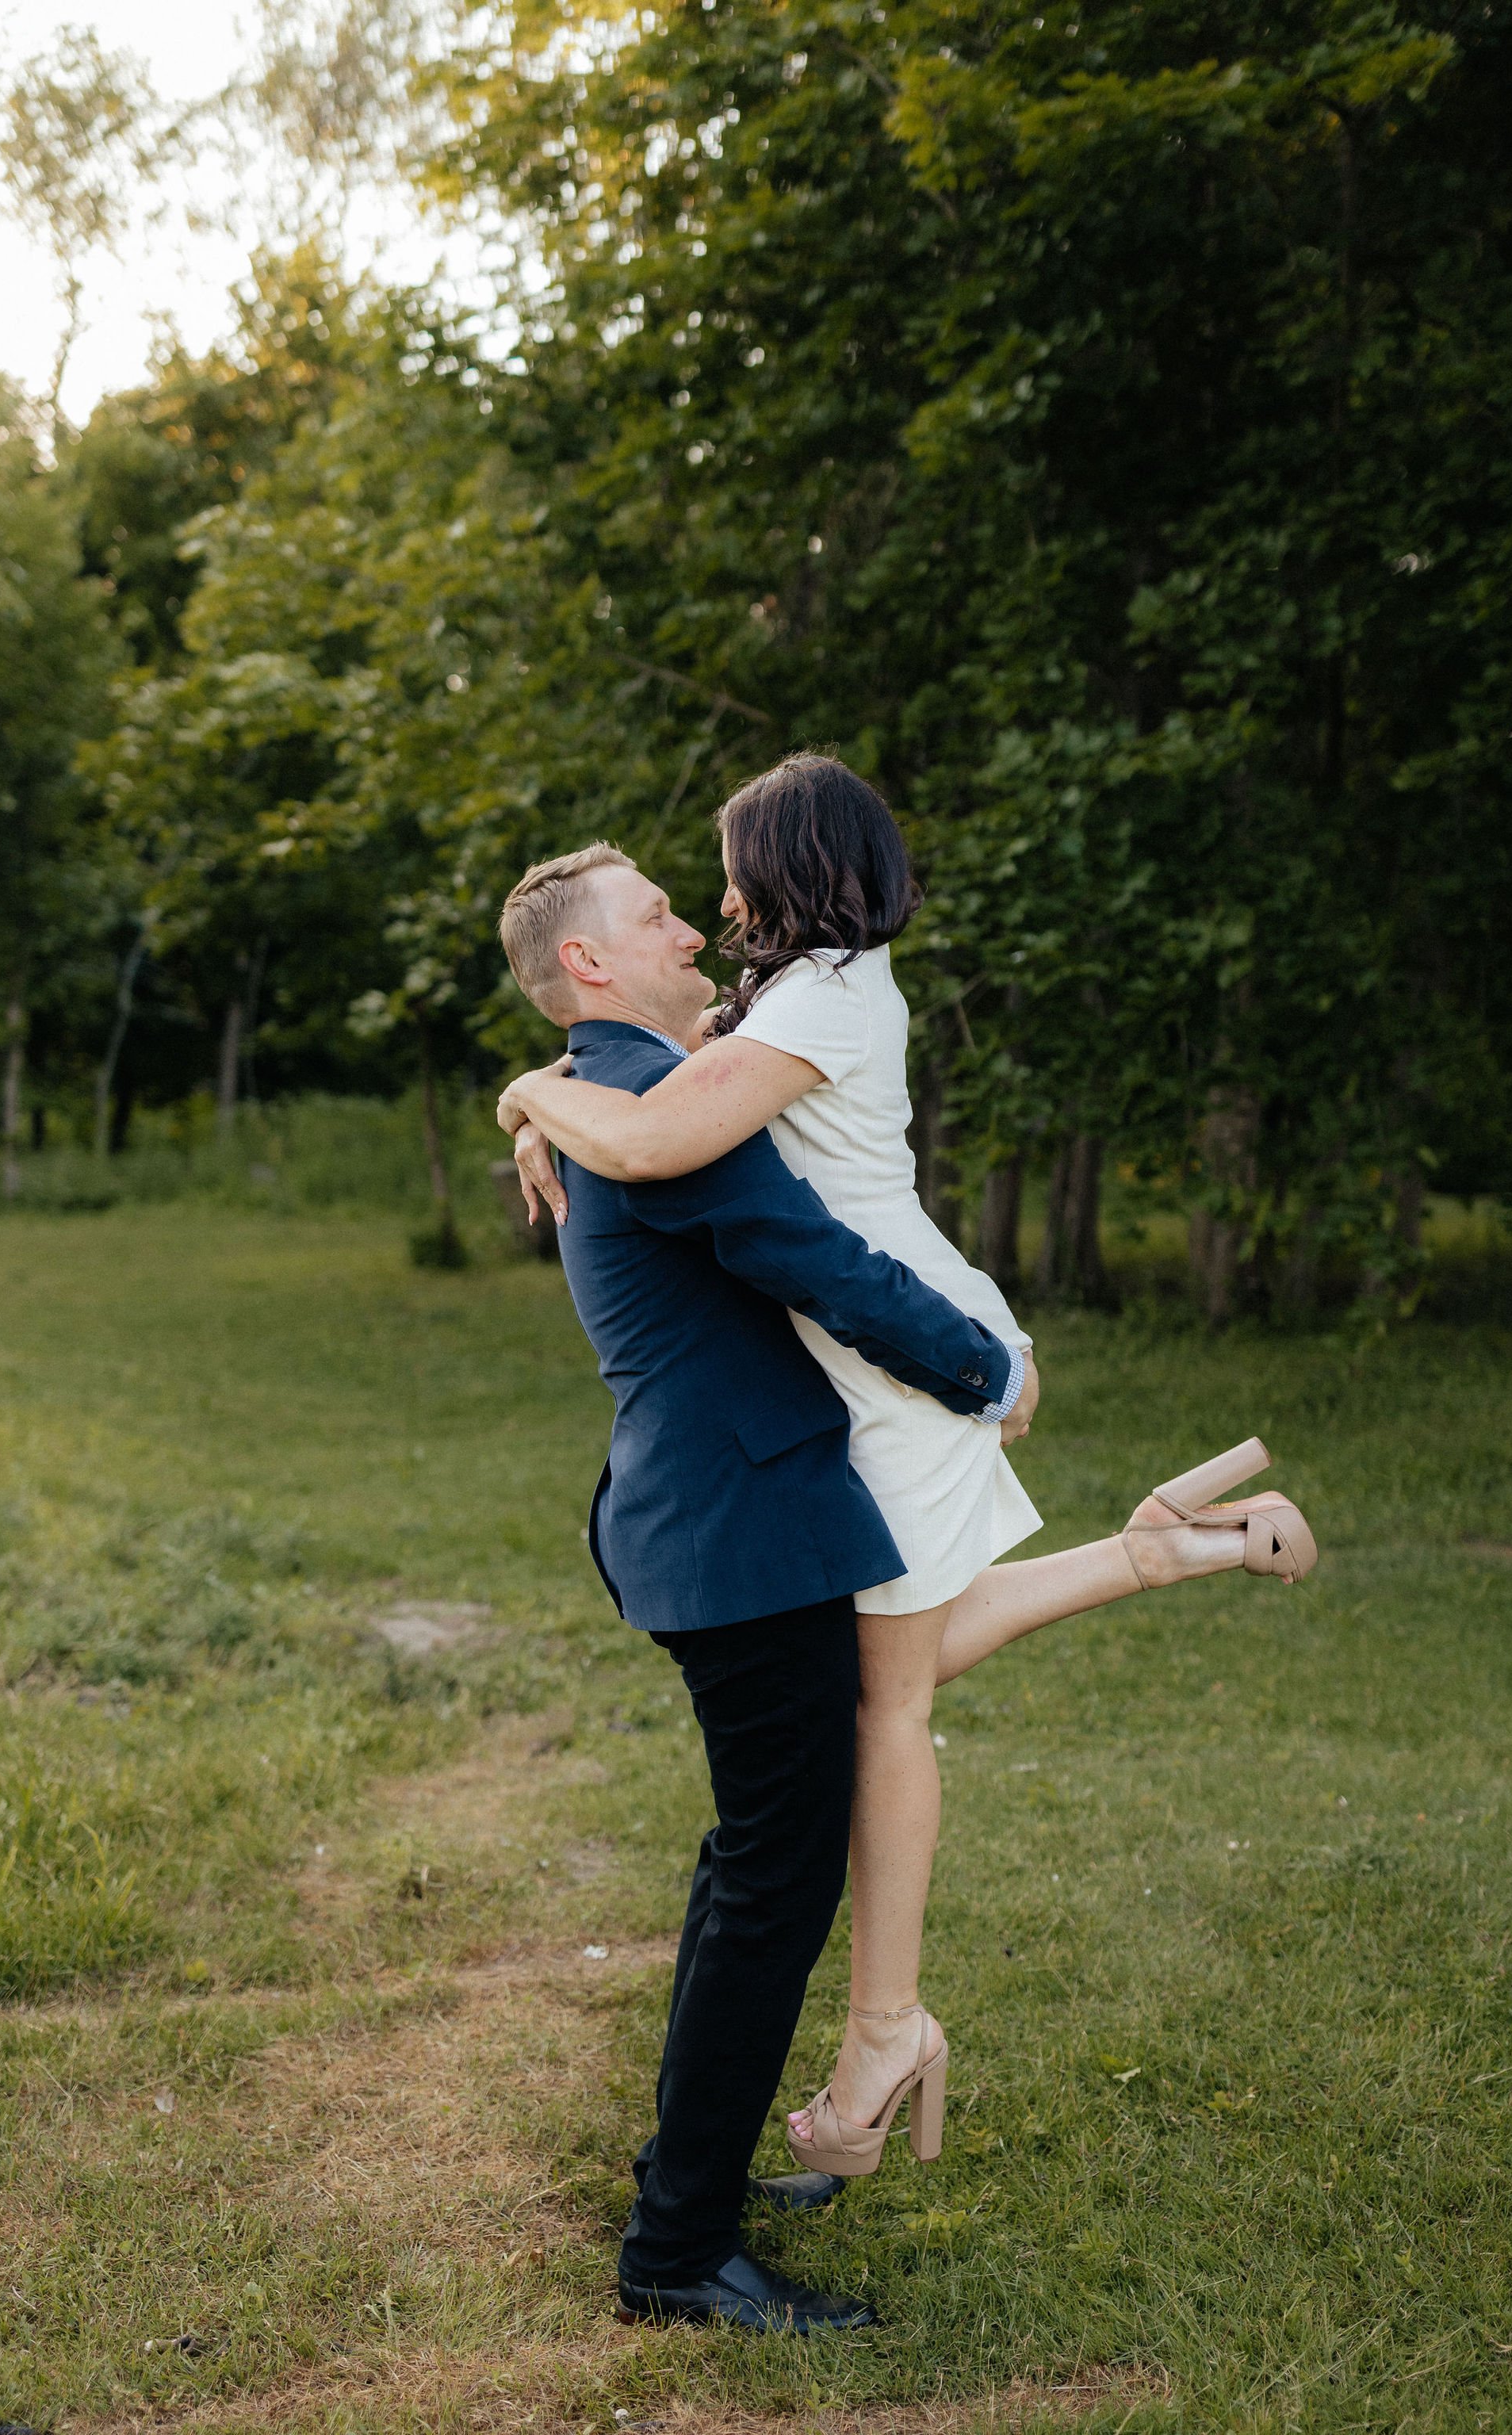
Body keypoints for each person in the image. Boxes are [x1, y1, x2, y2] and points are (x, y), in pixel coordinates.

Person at [497, 756, 1318, 2184]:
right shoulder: (797, 996)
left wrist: (527, 1084)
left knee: (882, 1704)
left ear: (797, 867)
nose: (716, 910)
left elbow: (655, 1138)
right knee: (890, 1676)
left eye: (733, 872)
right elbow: (644, 1092)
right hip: (889, 1349)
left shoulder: (819, 999)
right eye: (679, 900)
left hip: (911, 1352)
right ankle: (1163, 1550)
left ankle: (886, 2034)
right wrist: (545, 1095)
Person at [496, 840, 1029, 2333]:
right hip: (741, 1531)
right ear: (588, 966)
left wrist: (530, 1088)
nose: (692, 927)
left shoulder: (625, 1085)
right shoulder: (650, 1106)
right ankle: (675, 2254)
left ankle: (695, 2189)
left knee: (755, 1876)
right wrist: (989, 1370)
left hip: (725, 1521)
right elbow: (811, 1259)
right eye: (656, 914)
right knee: (770, 1890)